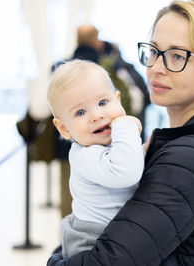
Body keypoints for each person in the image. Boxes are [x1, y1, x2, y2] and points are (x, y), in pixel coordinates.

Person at [48, 1, 194, 265]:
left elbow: (111, 260)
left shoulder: (190, 158)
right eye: (154, 51)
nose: (156, 67)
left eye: (177, 55)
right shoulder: (189, 142)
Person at [47, 60, 145, 259]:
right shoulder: (84, 155)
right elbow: (127, 173)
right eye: (80, 112)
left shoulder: (109, 144)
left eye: (103, 103)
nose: (97, 116)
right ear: (64, 128)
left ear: (118, 100)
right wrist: (126, 126)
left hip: (114, 233)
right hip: (92, 242)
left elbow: (135, 162)